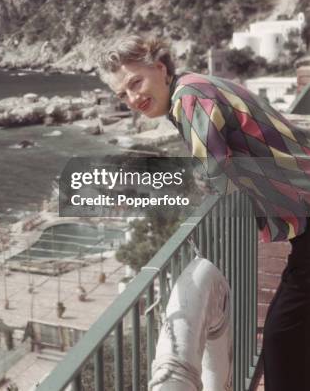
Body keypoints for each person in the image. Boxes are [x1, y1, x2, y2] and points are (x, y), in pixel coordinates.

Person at [97, 34, 310, 390]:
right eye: (122, 94)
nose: (133, 98)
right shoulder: (194, 87)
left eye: (136, 82)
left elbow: (216, 170)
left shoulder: (189, 97)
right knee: (289, 331)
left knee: (280, 336)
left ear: (160, 68)